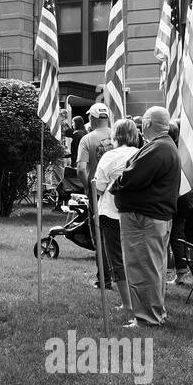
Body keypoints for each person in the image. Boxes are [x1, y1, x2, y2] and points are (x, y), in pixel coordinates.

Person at [111, 106, 180, 328]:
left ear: (148, 124)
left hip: (144, 218)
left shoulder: (159, 148)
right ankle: (155, 312)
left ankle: (148, 318)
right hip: (152, 217)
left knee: (143, 267)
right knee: (153, 267)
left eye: (143, 122)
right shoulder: (163, 146)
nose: (141, 125)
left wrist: (115, 184)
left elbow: (131, 177)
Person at [93, 118, 139, 314]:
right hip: (137, 213)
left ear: (115, 135)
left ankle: (128, 303)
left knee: (117, 259)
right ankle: (141, 300)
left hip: (111, 212)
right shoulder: (141, 154)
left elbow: (100, 186)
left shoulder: (109, 156)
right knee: (137, 258)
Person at [77, 103, 113, 287]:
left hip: (97, 192)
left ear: (91, 119)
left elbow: (81, 169)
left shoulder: (87, 139)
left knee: (100, 235)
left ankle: (104, 279)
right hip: (119, 192)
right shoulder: (120, 135)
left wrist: (88, 188)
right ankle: (121, 277)